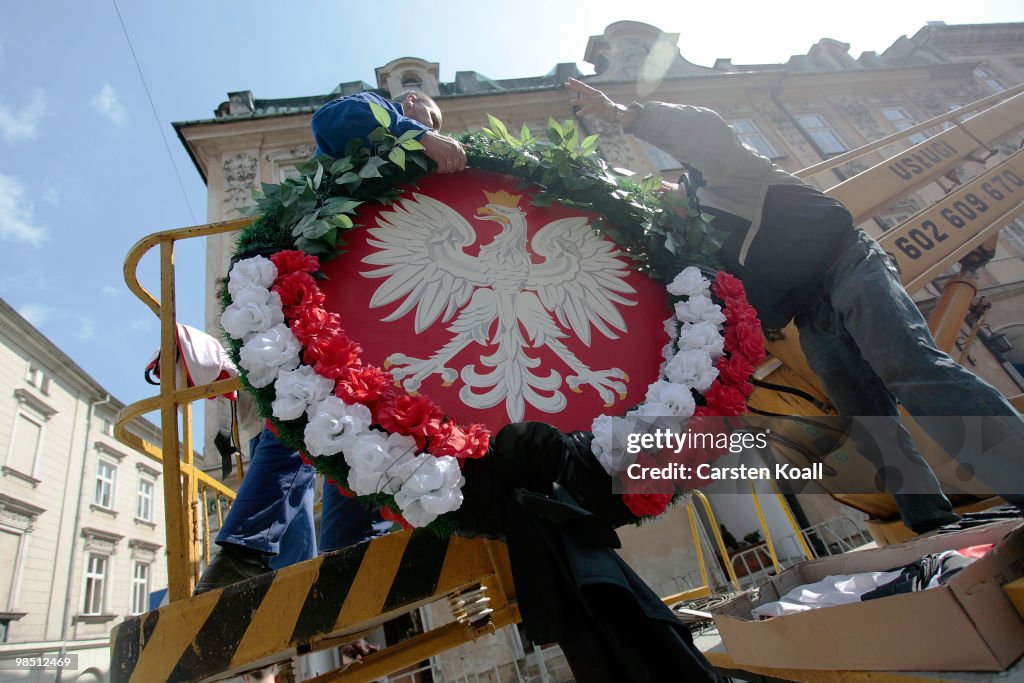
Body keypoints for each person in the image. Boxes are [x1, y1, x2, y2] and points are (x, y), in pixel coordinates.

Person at [565, 77, 1024, 534]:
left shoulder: (726, 177)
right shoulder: (697, 249)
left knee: (909, 367)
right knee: (868, 420)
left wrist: (626, 116)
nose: (659, 207)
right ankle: (931, 524)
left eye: (660, 195)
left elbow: (707, 134)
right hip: (810, 310)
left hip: (847, 262)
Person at [195, 89, 466, 594]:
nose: (435, 131)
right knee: (304, 409)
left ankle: (350, 552)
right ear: (410, 101)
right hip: (319, 294)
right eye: (431, 116)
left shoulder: (414, 180)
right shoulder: (372, 120)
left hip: (373, 314)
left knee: (364, 429)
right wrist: (421, 134)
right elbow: (337, 119)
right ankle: (246, 551)